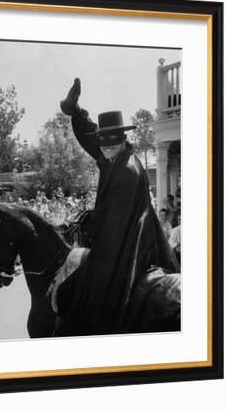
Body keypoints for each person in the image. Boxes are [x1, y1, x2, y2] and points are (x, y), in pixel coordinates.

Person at [56, 78, 178, 336]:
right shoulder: (116, 154)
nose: (105, 145)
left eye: (111, 140)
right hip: (125, 232)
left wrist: (86, 221)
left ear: (123, 139)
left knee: (86, 291)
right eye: (103, 140)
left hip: (133, 242)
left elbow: (113, 219)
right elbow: (94, 139)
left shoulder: (127, 170)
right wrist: (75, 112)